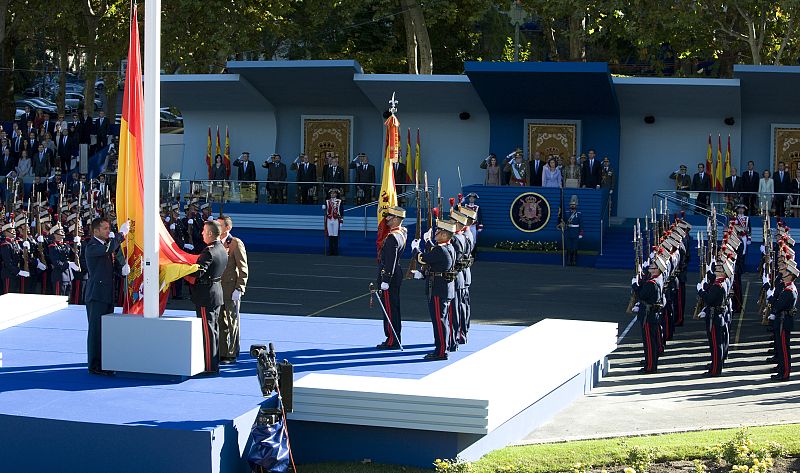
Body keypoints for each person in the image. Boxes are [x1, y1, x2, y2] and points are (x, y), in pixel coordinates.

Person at [84, 217, 130, 375]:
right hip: (96, 295)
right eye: (104, 228)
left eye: (108, 228)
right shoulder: (92, 246)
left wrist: (121, 270)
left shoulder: (105, 245)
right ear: (95, 231)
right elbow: (108, 250)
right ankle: (95, 365)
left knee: (106, 331)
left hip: (107, 294)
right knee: (96, 331)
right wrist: (121, 234)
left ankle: (105, 362)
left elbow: (108, 265)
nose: (108, 231)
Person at [188, 220, 228, 375]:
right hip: (216, 292)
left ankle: (210, 366)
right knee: (214, 330)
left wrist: (181, 270)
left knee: (208, 331)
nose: (202, 233)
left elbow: (199, 272)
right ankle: (213, 361)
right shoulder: (221, 249)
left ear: (210, 233)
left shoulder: (209, 251)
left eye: (204, 231)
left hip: (206, 294)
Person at [413, 219, 456, 361]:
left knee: (439, 321)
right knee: (442, 320)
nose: (435, 234)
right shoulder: (449, 247)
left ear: (445, 235)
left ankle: (441, 351)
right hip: (444, 287)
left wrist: (415, 249)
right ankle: (443, 347)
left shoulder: (440, 250)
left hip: (438, 289)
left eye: (438, 232)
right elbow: (435, 261)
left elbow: (423, 258)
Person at [218, 215, 248, 364]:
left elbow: (243, 268)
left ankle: (232, 352)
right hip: (218, 289)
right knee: (220, 321)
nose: (217, 228)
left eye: (220, 225)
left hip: (231, 288)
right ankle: (222, 351)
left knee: (232, 321)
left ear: (227, 228)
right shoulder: (216, 243)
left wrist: (240, 288)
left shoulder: (235, 243)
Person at [376, 206, 407, 350]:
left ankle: (392, 340)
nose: (386, 219)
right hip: (396, 273)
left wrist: (385, 280)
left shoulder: (392, 237)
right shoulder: (402, 233)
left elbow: (390, 261)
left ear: (396, 219)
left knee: (389, 309)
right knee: (394, 307)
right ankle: (394, 337)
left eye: (389, 217)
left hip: (390, 276)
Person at [631, 255, 667, 374]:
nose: (650, 266)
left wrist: (635, 286)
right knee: (652, 340)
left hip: (648, 315)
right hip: (653, 313)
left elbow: (642, 294)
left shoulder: (652, 283)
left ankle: (650, 366)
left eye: (653, 265)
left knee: (649, 342)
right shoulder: (657, 279)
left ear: (657, 269)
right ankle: (650, 362)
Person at [769, 262, 798, 381]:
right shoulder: (786, 288)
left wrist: (770, 297)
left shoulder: (789, 290)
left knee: (784, 349)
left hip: (783, 321)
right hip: (781, 320)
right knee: (781, 348)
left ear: (790, 276)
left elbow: (778, 305)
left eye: (785, 273)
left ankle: (785, 373)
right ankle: (781, 370)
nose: (783, 274)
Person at [48, 223, 78, 297]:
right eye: (61, 231)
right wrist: (68, 264)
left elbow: (74, 255)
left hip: (69, 276)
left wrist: (77, 245)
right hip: (60, 276)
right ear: (55, 234)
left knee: (68, 301)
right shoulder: (53, 247)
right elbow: (56, 263)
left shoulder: (66, 245)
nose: (63, 232)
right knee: (60, 300)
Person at [561, 195, 583, 266]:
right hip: (568, 231)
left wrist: (581, 233)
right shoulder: (566, 213)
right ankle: (568, 260)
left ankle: (574, 260)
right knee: (568, 247)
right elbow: (563, 221)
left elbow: (581, 224)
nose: (572, 206)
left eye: (574, 205)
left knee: (575, 247)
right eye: (571, 205)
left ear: (576, 205)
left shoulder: (579, 214)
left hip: (576, 232)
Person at [323, 188, 343, 255]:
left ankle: (336, 251)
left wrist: (341, 221)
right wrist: (324, 207)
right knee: (330, 235)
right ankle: (331, 251)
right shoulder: (327, 201)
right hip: (329, 219)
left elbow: (342, 211)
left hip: (336, 219)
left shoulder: (339, 201)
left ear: (336, 194)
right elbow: (325, 209)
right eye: (331, 193)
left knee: (335, 235)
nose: (332, 194)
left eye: (334, 193)